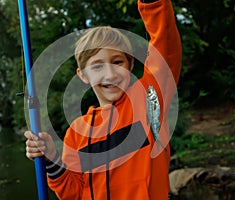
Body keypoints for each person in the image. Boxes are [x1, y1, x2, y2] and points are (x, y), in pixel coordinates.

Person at [24, 0, 182, 199]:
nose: (110, 74)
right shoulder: (75, 133)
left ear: (130, 65)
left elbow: (165, 44)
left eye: (117, 62)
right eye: (97, 66)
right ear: (82, 75)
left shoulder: (148, 97)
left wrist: (152, 4)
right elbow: (73, 192)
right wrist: (51, 159)